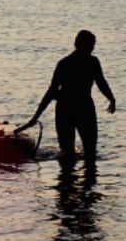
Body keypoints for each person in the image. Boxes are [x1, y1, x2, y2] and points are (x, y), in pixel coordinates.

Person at [18, 29, 116, 162]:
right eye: (90, 45)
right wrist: (36, 117)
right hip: (67, 110)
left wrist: (111, 99)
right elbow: (51, 92)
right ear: (78, 44)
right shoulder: (66, 64)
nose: (92, 48)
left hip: (83, 108)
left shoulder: (92, 62)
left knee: (88, 152)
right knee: (69, 154)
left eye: (93, 45)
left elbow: (101, 83)